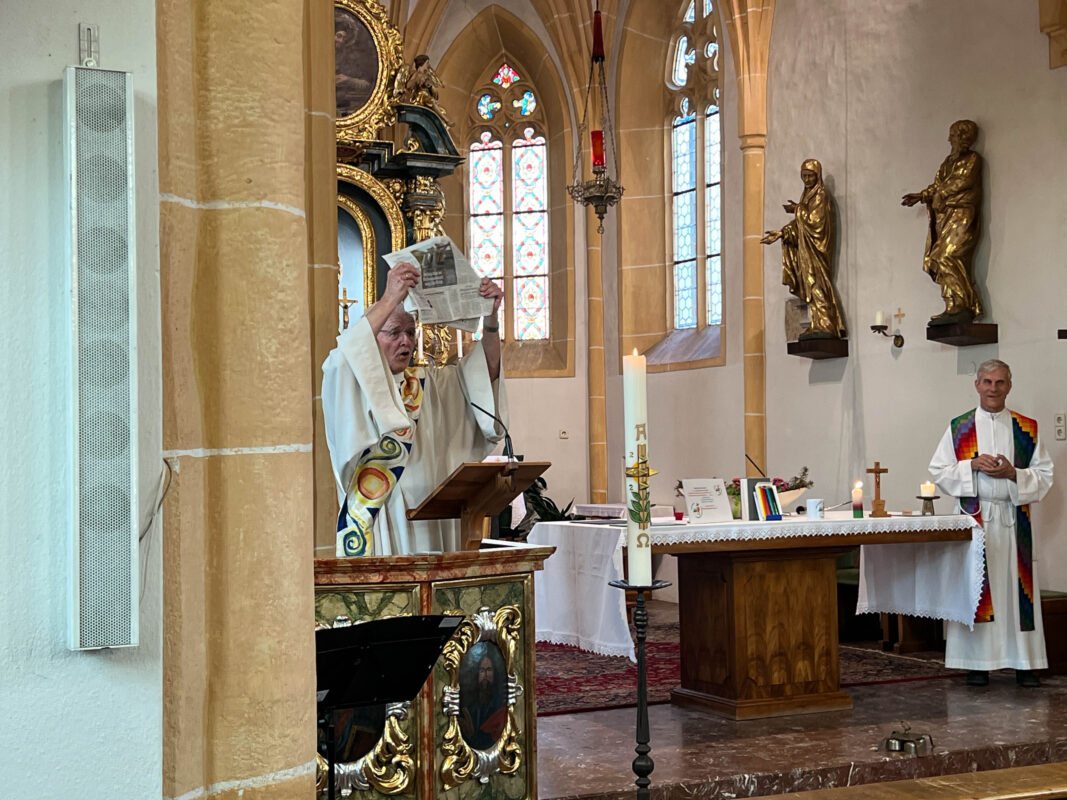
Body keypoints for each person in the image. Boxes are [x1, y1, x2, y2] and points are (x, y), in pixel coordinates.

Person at [321, 260, 506, 556]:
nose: (405, 341)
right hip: (380, 520)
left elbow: (484, 375)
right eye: (393, 332)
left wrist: (491, 322)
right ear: (371, 341)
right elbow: (341, 360)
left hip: (430, 520)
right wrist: (389, 298)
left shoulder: (427, 384)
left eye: (410, 332)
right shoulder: (354, 384)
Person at [928, 359, 1054, 687]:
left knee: (1016, 593)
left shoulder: (1026, 428)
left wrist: (1014, 473)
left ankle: (1025, 664)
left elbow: (1044, 475)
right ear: (977, 385)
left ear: (1009, 386)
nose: (993, 389)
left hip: (1013, 520)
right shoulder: (960, 427)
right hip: (976, 520)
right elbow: (938, 470)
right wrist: (970, 465)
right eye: (987, 382)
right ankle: (976, 664)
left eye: (999, 382)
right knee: (977, 587)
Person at [901, 119, 983, 325]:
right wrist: (922, 195)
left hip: (962, 213)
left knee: (946, 255)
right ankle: (952, 305)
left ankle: (964, 303)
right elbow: (937, 184)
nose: (949, 139)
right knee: (938, 258)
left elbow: (963, 181)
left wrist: (941, 194)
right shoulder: (947, 162)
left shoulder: (972, 159)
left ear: (963, 137)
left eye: (952, 135)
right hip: (945, 216)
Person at [760, 159, 846, 339]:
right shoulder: (807, 196)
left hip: (817, 251)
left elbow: (815, 222)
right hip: (807, 252)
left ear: (817, 175)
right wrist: (781, 233)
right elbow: (800, 227)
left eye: (810, 176)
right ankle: (817, 322)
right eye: (804, 176)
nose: (806, 180)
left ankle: (826, 324)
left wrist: (796, 209)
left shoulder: (821, 195)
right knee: (810, 285)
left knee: (818, 284)